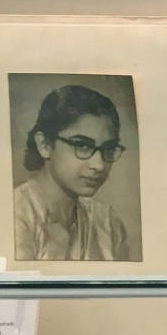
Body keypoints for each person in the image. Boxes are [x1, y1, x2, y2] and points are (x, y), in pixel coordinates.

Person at [13, 84, 138, 262]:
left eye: (108, 148)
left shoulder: (108, 223)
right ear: (45, 144)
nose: (99, 165)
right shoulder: (16, 216)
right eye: (82, 145)